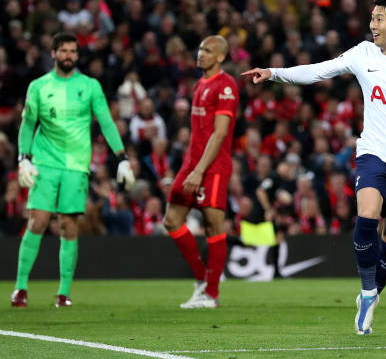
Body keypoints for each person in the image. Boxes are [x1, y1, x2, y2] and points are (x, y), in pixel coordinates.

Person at [242, 0, 386, 335]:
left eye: (378, 18)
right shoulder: (363, 54)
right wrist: (274, 72)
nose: (372, 24)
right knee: (367, 214)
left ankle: (372, 295)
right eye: (372, 17)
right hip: (373, 152)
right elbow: (319, 71)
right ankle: (366, 288)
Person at [12, 32, 135, 308]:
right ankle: (20, 288)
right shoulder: (39, 86)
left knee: (69, 226)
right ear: (53, 53)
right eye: (63, 51)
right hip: (44, 163)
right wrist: (24, 158)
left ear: (77, 55)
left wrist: (122, 157)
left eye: (73, 51)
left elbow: (106, 121)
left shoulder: (90, 86)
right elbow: (28, 125)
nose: (68, 55)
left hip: (76, 166)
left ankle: (63, 292)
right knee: (38, 221)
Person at [162, 35, 238, 309]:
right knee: (171, 220)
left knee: (212, 226)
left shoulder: (226, 85)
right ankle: (202, 280)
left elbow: (219, 134)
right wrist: (191, 168)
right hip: (191, 164)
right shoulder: (200, 85)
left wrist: (199, 170)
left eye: (207, 50)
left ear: (220, 57)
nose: (200, 53)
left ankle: (212, 294)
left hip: (213, 166)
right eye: (200, 48)